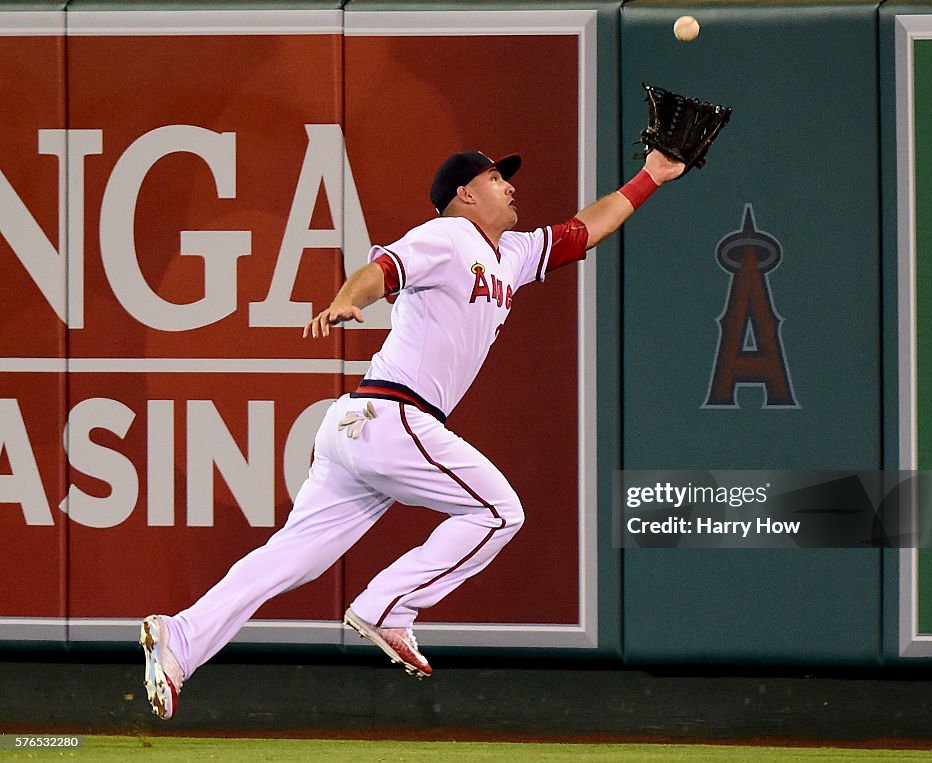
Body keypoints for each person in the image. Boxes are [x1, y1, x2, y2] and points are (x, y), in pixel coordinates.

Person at [140, 147, 686, 720]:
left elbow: (581, 232)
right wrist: (348, 300)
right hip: (395, 418)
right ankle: (387, 607)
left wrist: (650, 176)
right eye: (497, 178)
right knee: (500, 512)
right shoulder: (448, 235)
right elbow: (382, 270)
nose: (510, 187)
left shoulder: (513, 254)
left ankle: (181, 639)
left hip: (361, 424)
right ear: (466, 195)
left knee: (288, 559)